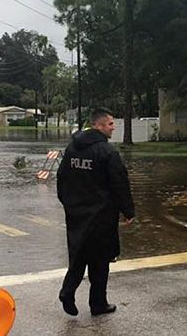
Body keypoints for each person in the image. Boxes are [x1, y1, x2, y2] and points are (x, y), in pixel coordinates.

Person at [56, 108, 135, 317]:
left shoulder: (72, 149)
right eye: (110, 124)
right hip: (101, 216)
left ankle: (67, 291)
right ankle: (98, 304)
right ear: (99, 126)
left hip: (76, 214)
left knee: (79, 254)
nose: (113, 128)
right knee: (100, 261)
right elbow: (119, 184)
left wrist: (68, 202)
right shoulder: (107, 152)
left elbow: (61, 177)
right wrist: (128, 210)